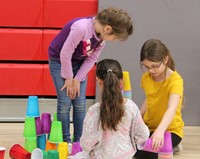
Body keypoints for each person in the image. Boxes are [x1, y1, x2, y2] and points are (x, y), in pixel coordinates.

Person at [48, 7, 133, 143]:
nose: (112, 40)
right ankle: (65, 141)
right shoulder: (81, 28)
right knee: (65, 102)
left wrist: (77, 79)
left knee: (80, 104)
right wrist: (69, 78)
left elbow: (91, 59)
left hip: (78, 63)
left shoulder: (102, 39)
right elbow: (65, 53)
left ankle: (79, 141)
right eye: (114, 37)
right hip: (60, 61)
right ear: (107, 29)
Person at [80, 59, 149, 159]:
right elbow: (143, 134)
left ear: (99, 81)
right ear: (122, 82)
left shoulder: (94, 111)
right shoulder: (131, 107)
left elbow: (86, 144)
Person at [134, 39, 184, 159]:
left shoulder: (175, 81)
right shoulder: (146, 78)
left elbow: (171, 109)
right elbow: (149, 99)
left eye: (155, 66)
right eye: (146, 67)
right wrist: (138, 118)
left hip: (170, 130)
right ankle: (166, 146)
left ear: (165, 60)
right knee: (129, 148)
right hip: (149, 127)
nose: (151, 71)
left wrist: (160, 131)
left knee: (149, 154)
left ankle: (172, 145)